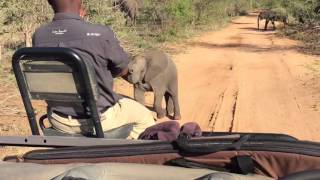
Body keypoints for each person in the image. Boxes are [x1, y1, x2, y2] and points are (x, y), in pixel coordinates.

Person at [32, 0, 155, 139]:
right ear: (80, 3)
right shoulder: (100, 33)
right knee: (144, 118)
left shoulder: (39, 36)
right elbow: (123, 70)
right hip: (99, 120)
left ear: (50, 3)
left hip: (58, 120)